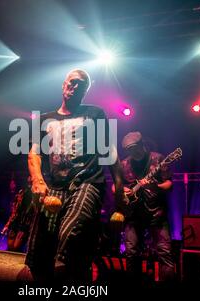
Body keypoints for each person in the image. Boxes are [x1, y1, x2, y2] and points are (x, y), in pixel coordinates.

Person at [27, 69, 124, 282]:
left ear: (85, 92)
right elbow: (34, 153)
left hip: (86, 182)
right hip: (54, 186)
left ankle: (65, 273)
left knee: (69, 231)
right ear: (63, 85)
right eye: (72, 82)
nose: (75, 87)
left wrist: (119, 190)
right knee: (39, 247)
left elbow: (110, 151)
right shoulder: (44, 119)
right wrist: (37, 180)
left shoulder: (95, 114)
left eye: (81, 85)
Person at [118, 131, 175, 281]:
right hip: (133, 215)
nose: (133, 153)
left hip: (157, 214)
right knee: (131, 253)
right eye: (130, 151)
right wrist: (122, 190)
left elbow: (169, 184)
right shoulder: (124, 164)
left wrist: (156, 186)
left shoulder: (158, 159)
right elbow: (115, 187)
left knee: (164, 252)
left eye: (135, 149)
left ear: (143, 145)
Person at [1, 176, 34, 252]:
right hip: (16, 221)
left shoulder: (36, 193)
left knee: (16, 247)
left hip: (25, 222)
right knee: (10, 246)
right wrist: (7, 225)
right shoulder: (22, 191)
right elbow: (14, 211)